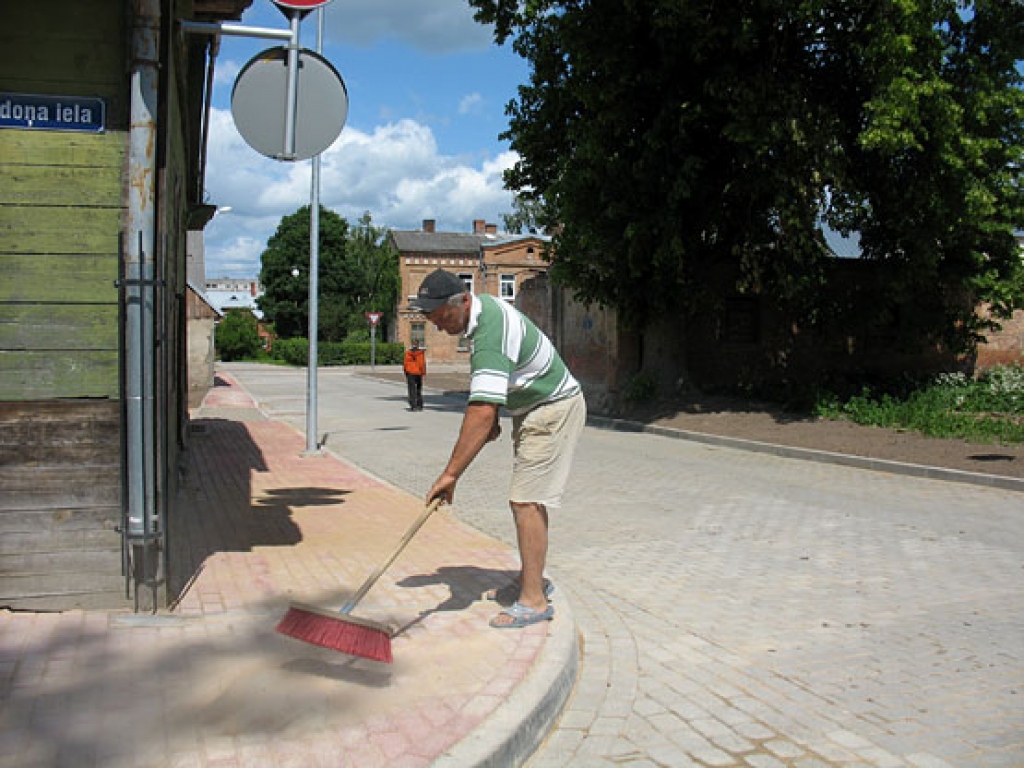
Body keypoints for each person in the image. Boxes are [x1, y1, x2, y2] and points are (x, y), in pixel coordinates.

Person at [409, 269, 586, 629]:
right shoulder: (481, 316)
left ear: (461, 301)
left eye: (441, 318)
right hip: (535, 408)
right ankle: (532, 580)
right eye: (432, 322)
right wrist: (486, 425)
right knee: (527, 499)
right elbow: (489, 405)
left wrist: (450, 475)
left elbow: (481, 410)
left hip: (552, 409)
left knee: (526, 501)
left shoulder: (489, 331)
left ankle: (534, 601)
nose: (439, 328)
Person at [403, 339, 426, 411]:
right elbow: (422, 364)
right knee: (418, 389)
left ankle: (413, 406)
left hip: (410, 372)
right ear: (418, 344)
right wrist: (423, 372)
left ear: (412, 344)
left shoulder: (408, 353)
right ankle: (420, 405)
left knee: (411, 389)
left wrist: (405, 372)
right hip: (418, 373)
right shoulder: (421, 353)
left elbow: (405, 363)